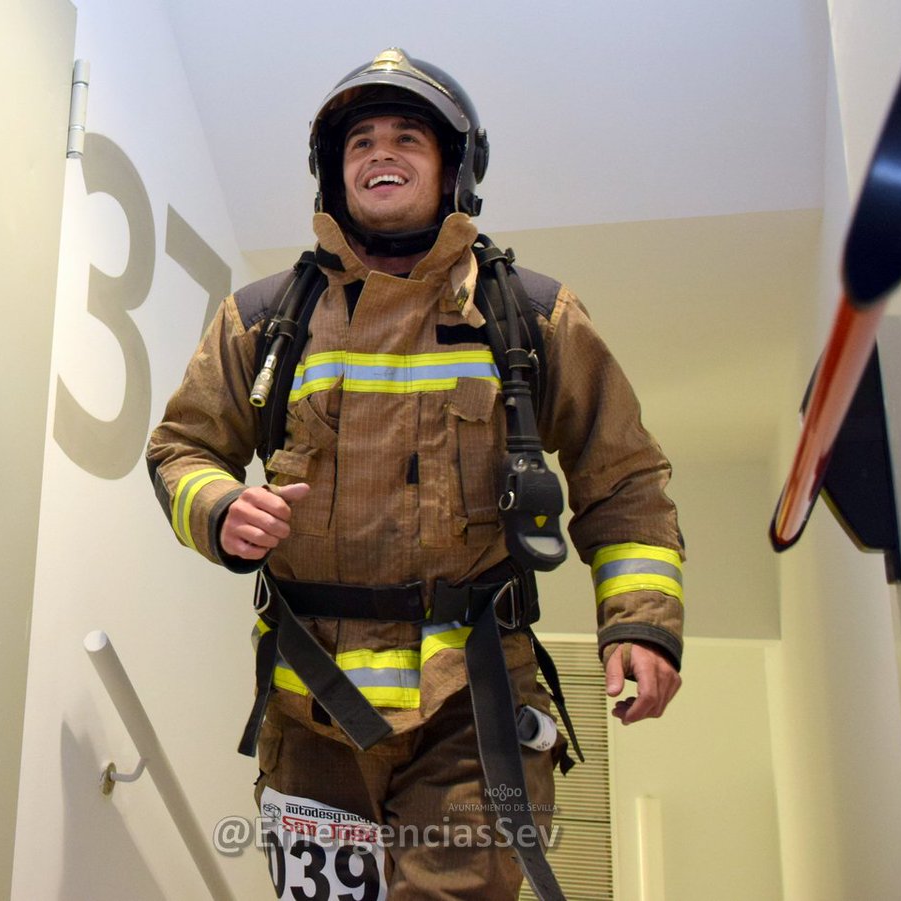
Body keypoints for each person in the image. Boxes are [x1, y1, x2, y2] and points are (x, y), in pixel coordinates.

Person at [147, 47, 684, 901]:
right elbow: (180, 447)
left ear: (455, 169)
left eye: (406, 137)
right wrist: (218, 507)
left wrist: (642, 622)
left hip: (475, 709)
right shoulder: (262, 321)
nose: (379, 153)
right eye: (359, 141)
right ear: (334, 173)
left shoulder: (534, 318)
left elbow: (622, 478)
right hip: (309, 710)